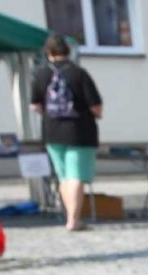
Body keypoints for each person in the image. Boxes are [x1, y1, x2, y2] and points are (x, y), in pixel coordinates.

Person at [29, 34, 103, 232]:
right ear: (68, 52)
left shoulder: (41, 75)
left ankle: (68, 216)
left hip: (52, 132)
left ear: (48, 53)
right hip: (80, 131)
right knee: (77, 176)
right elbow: (96, 107)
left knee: (63, 177)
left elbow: (34, 105)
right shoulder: (79, 74)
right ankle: (74, 220)